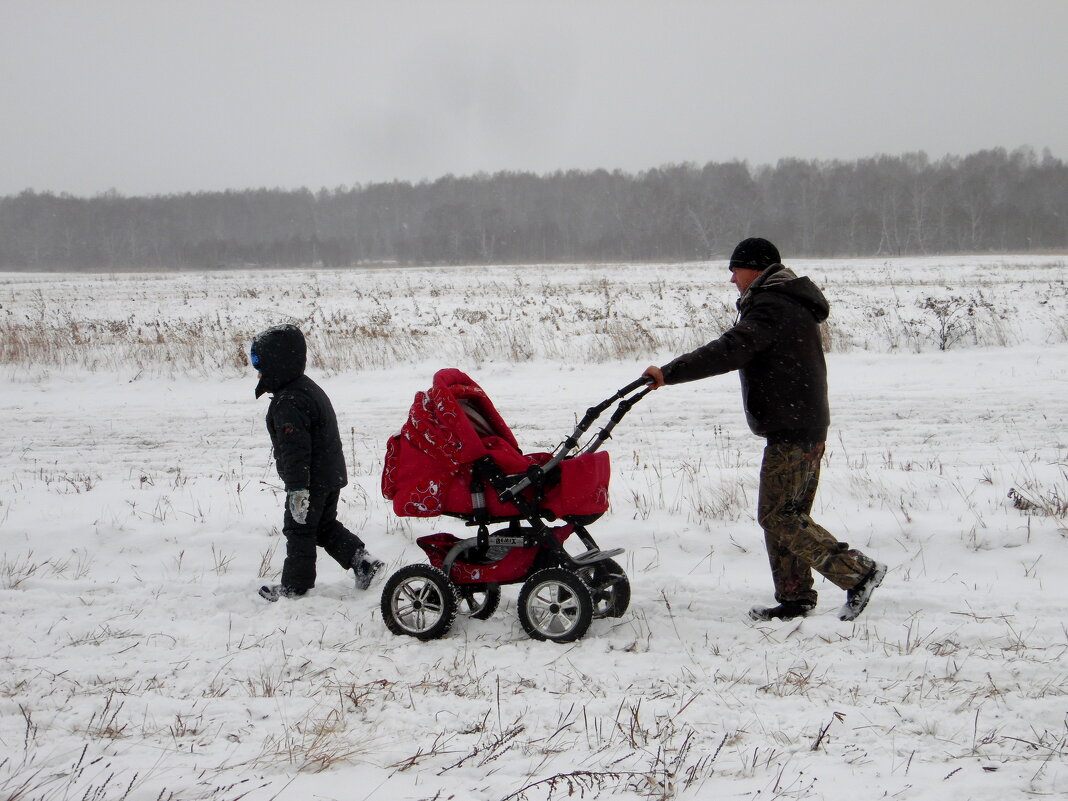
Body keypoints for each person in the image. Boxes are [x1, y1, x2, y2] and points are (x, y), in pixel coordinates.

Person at [643, 238, 885, 622]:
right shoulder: (785, 300)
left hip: (793, 428)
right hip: (801, 423)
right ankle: (794, 598)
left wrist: (668, 373)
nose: (732, 279)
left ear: (755, 268)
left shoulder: (772, 305)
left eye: (735, 270)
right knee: (788, 514)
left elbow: (729, 349)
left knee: (777, 515)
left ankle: (858, 572)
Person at [251, 324, 383, 601]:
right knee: (322, 527)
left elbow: (296, 451)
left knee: (298, 531)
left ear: (278, 363)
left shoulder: (290, 401)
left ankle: (294, 588)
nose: (257, 370)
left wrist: (298, 490)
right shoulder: (303, 388)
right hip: (328, 475)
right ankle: (363, 563)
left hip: (310, 481)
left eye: (259, 363)